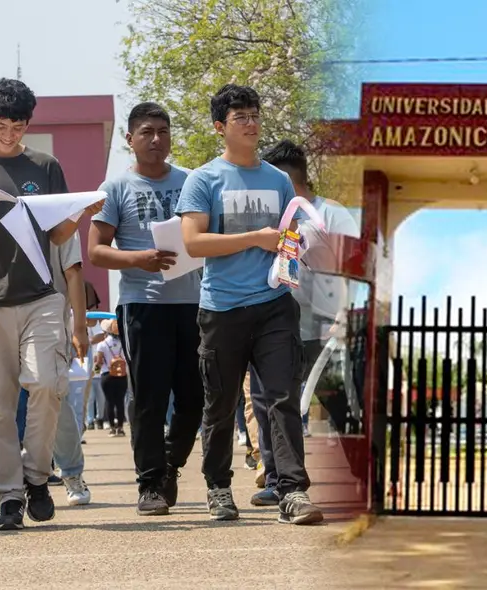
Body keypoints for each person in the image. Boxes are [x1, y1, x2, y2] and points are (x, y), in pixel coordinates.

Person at [0, 78, 103, 531]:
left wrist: (79, 212)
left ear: (29, 124)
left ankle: (36, 476)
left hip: (41, 296)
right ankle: (9, 494)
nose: (10, 134)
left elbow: (58, 235)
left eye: (19, 126)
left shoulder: (45, 166)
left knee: (48, 383)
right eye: (1, 125)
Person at [174, 84, 322, 525]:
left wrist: (295, 246)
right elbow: (193, 243)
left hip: (275, 303)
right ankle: (218, 486)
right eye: (241, 117)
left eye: (255, 115)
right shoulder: (203, 179)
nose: (252, 124)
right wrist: (255, 237)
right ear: (220, 127)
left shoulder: (278, 179)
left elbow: (289, 234)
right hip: (222, 308)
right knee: (220, 406)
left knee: (282, 398)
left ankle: (292, 490)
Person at [89, 102, 205, 516]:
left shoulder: (192, 181)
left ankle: (171, 464)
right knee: (149, 399)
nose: (156, 139)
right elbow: (96, 251)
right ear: (130, 139)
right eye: (147, 132)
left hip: (194, 304)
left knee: (194, 398)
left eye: (163, 131)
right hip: (143, 306)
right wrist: (139, 259)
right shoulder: (116, 188)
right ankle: (151, 484)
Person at [247, 140, 363, 506]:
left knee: (339, 402)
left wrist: (345, 313)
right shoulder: (271, 220)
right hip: (276, 326)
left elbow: (355, 267)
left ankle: (363, 476)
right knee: (270, 404)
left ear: (287, 180)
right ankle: (278, 480)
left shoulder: (331, 214)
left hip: (325, 327)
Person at [0, 232, 93, 511]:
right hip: (0, 316)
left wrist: (79, 327)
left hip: (48, 319)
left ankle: (71, 473)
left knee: (53, 396)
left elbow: (73, 270)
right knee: (0, 403)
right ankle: (4, 485)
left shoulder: (57, 215)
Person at [93, 320, 129, 438]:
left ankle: (112, 428)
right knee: (120, 401)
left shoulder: (102, 344)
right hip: (121, 375)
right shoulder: (123, 343)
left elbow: (99, 362)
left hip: (107, 375)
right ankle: (120, 428)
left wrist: (96, 371)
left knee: (109, 401)